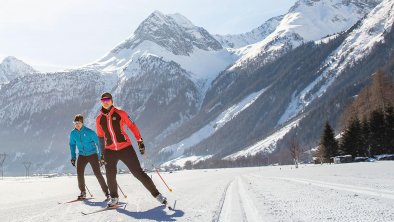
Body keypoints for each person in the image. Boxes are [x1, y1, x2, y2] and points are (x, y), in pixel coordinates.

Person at [96, 92, 167, 207]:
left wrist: (140, 141)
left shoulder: (120, 113)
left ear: (112, 100)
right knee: (110, 174)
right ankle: (114, 198)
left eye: (107, 99)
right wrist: (102, 155)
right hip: (109, 150)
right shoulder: (99, 119)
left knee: (138, 173)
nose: (105, 102)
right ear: (101, 102)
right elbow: (100, 137)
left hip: (125, 148)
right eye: (103, 100)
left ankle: (157, 195)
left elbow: (132, 126)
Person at [69, 114, 110, 200]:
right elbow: (72, 145)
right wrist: (73, 158)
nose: (77, 124)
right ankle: (83, 192)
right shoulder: (73, 133)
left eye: (79, 122)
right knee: (79, 173)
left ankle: (107, 193)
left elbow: (99, 144)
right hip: (82, 155)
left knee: (97, 173)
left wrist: (100, 156)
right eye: (75, 123)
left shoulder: (90, 132)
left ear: (82, 123)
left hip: (92, 154)